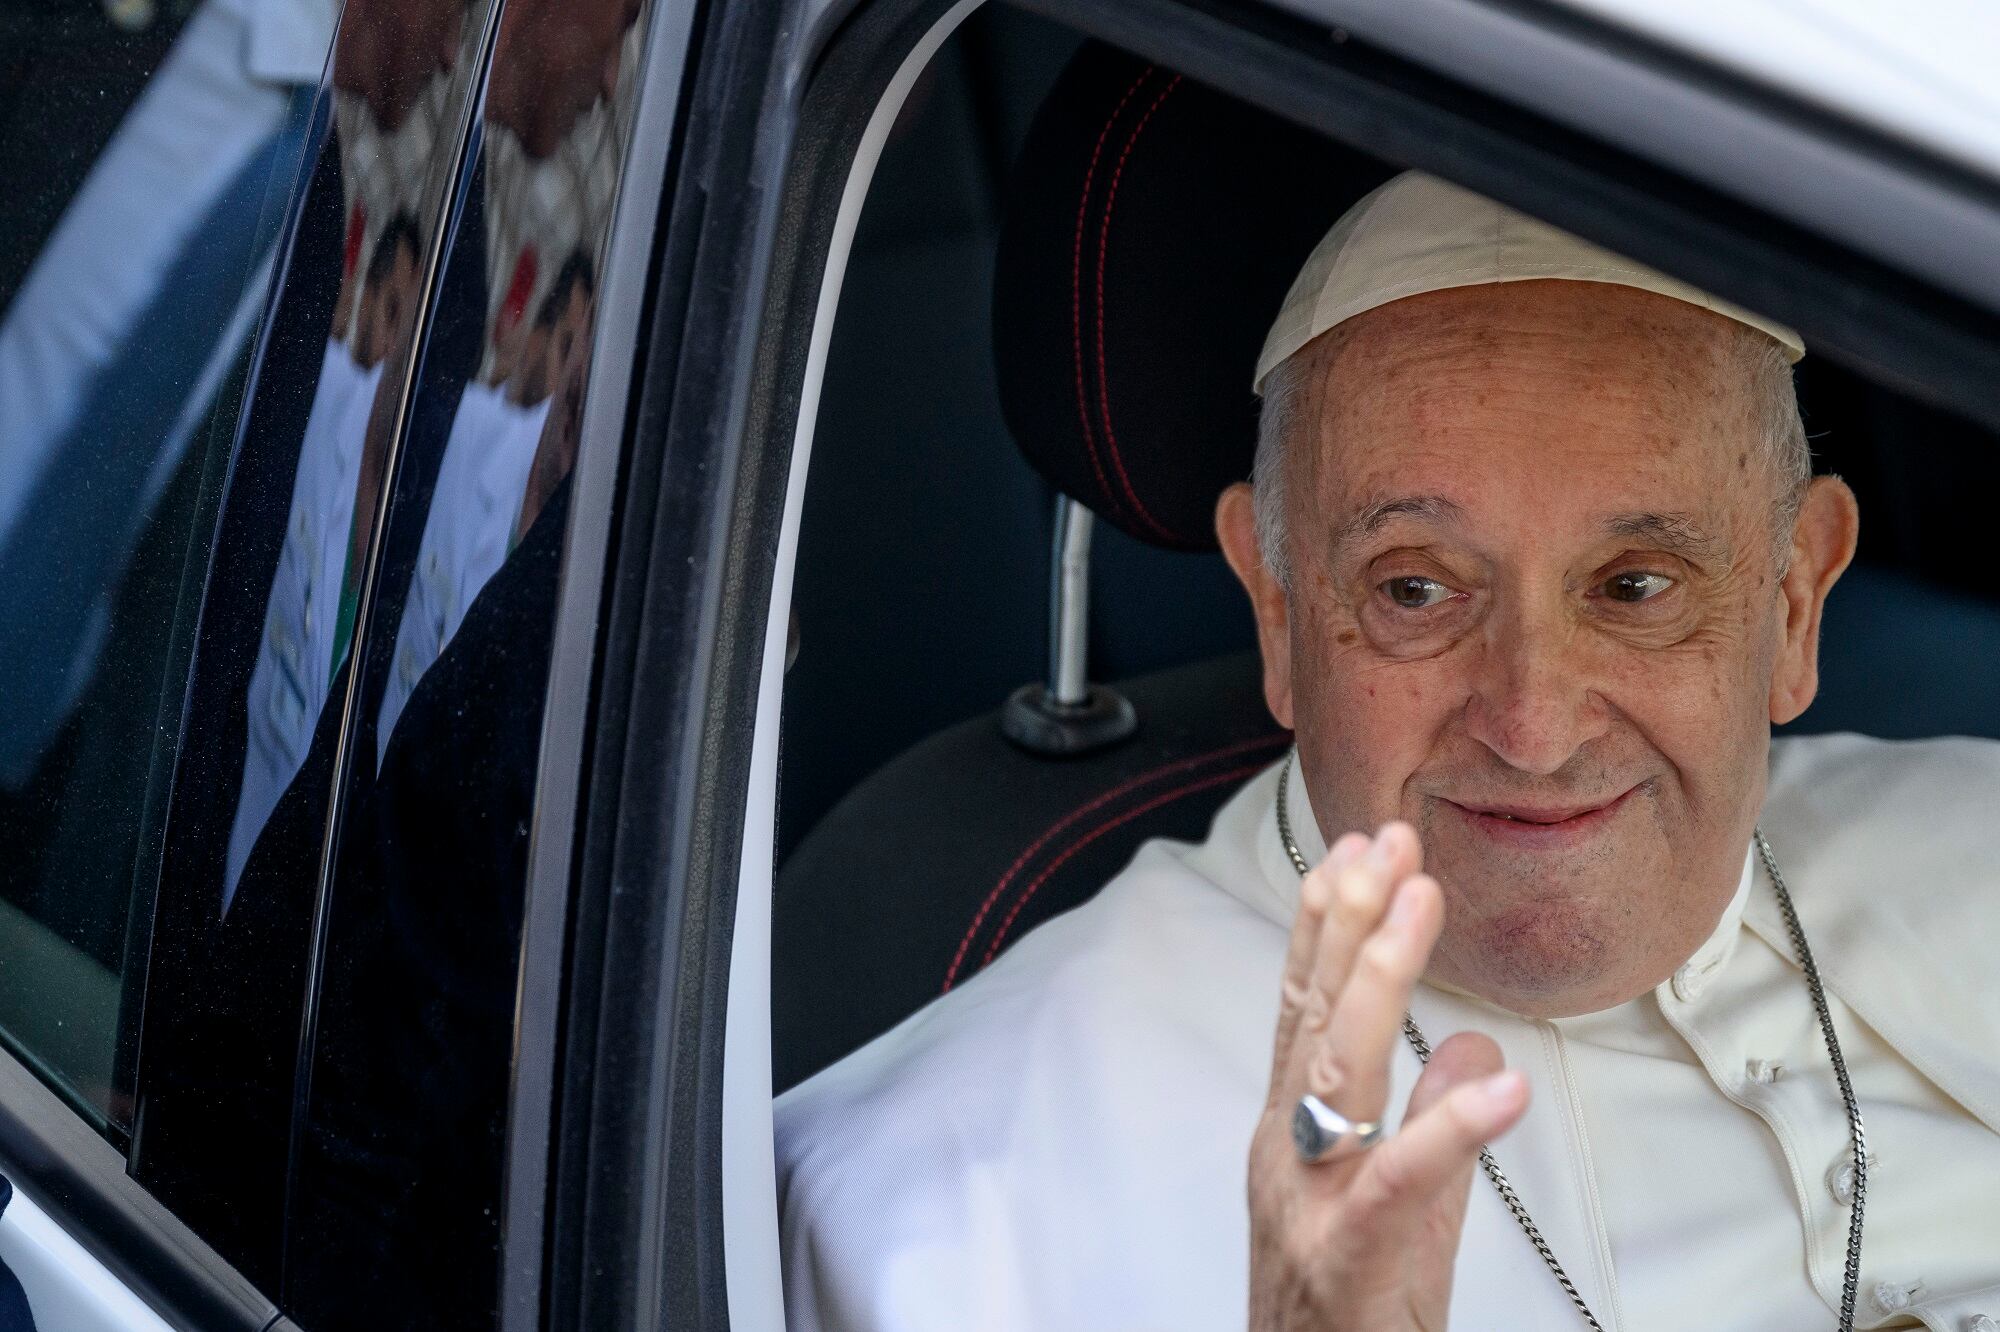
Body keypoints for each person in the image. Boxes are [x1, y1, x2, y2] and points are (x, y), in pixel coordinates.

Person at [774, 172, 2000, 1330]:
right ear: (1273, 599)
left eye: (1633, 586)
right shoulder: (923, 1212)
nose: (1530, 728)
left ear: (1792, 602)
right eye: (1414, 590)